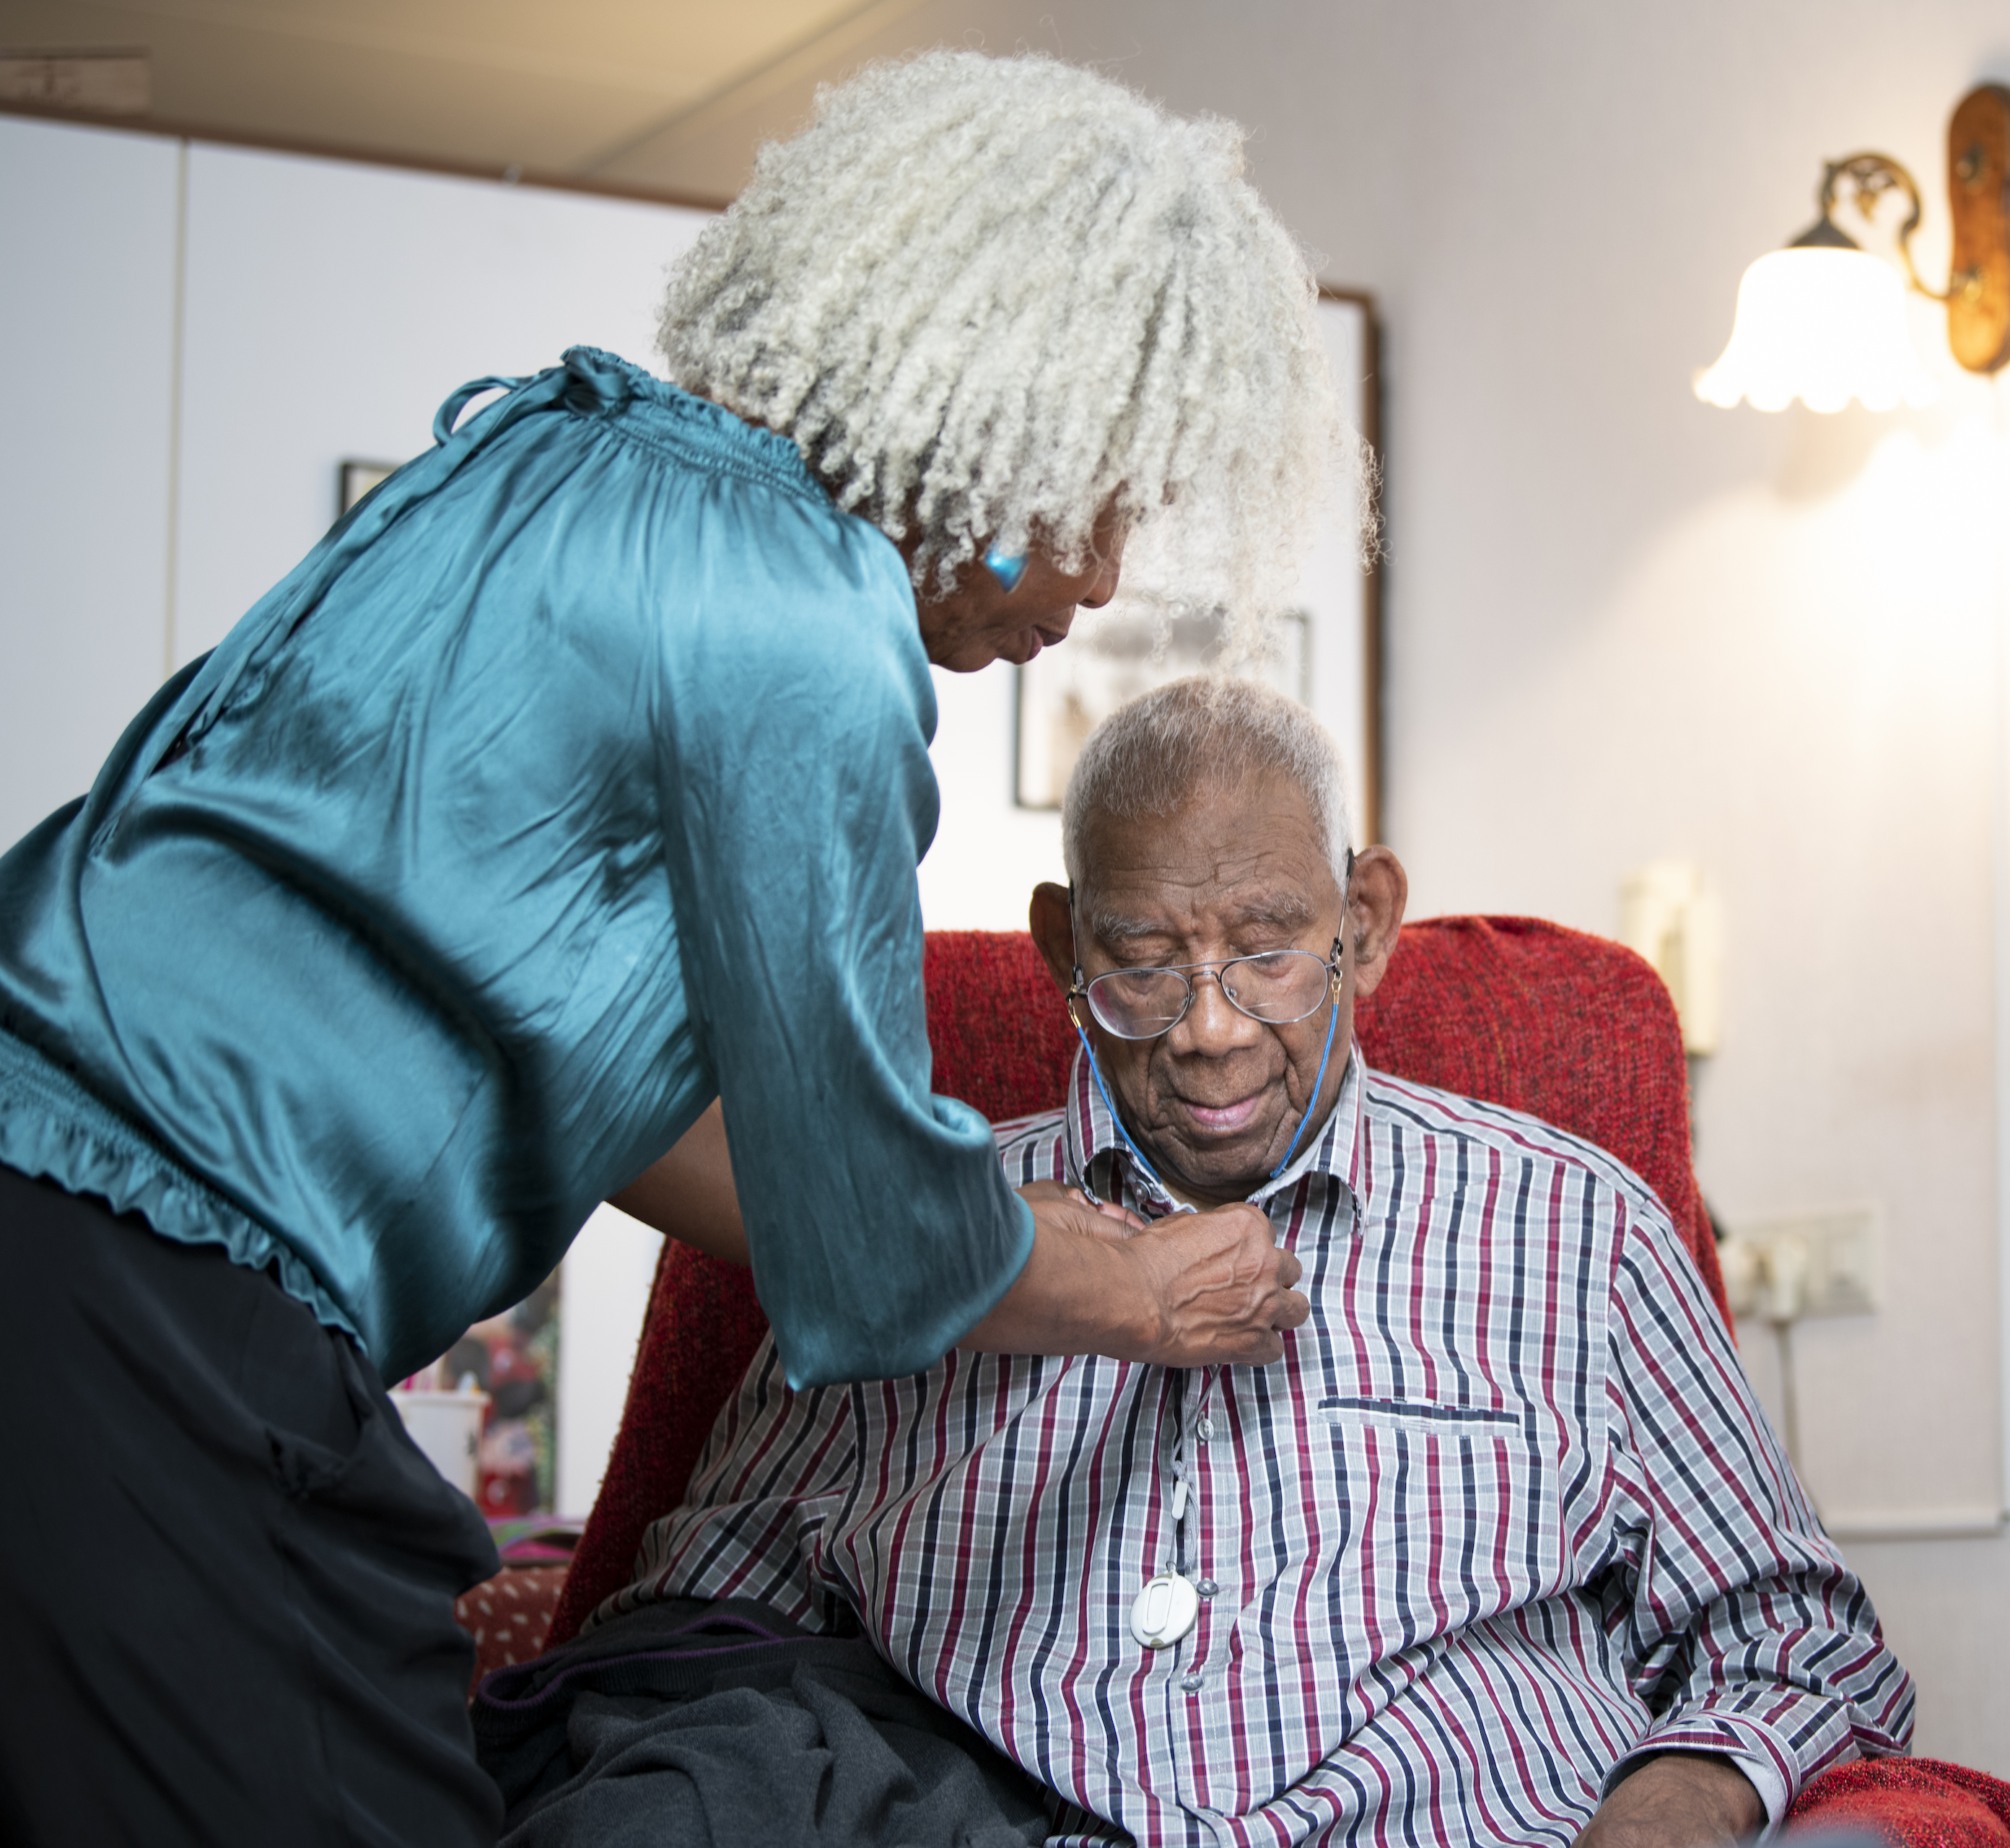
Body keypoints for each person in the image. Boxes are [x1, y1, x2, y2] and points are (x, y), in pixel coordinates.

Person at [0, 52, 1352, 1844]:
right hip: (158, 1289)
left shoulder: (551, 453)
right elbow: (868, 1244)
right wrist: (1138, 1283)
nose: (1101, 580)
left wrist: (1013, 1232)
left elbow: (616, 1105)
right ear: (1003, 428)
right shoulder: (802, 623)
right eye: (1106, 498)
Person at [485, 679, 1913, 1848]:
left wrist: (1680, 1795)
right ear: (1063, 944)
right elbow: (701, 1623)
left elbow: (1797, 1631)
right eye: (1145, 958)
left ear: (1364, 924)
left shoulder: (1572, 1230)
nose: (1211, 1029)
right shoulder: (926, 1226)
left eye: (1271, 949)